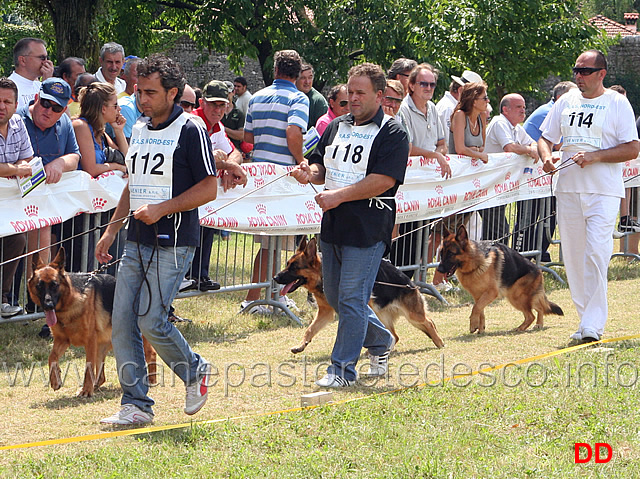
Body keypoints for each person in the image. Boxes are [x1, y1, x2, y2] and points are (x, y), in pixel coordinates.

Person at [95, 54, 217, 425]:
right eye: (138, 90)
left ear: (173, 93)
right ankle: (135, 404)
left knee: (151, 320)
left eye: (150, 92)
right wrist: (112, 228)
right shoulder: (141, 129)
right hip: (136, 238)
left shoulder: (191, 129)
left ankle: (195, 370)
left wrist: (163, 209)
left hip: (175, 240)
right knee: (121, 322)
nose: (141, 99)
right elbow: (135, 183)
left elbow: (209, 188)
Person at [292, 62, 409, 387]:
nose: (352, 98)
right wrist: (308, 173)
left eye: (360, 93)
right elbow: (319, 167)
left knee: (353, 298)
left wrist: (339, 196)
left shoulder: (393, 132)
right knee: (336, 295)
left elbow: (383, 181)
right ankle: (381, 340)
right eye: (350, 92)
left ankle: (341, 371)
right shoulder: (336, 126)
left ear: (380, 95)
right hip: (333, 224)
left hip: (368, 226)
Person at [538, 49, 639, 343]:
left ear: (601, 74)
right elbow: (545, 138)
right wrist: (546, 158)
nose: (578, 77)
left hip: (604, 190)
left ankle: (594, 323)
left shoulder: (617, 103)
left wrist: (595, 157)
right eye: (576, 71)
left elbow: (632, 148)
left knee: (596, 252)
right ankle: (585, 320)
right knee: (573, 255)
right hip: (568, 188)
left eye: (585, 71)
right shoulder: (566, 101)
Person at [241, 50, 309, 314]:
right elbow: (293, 130)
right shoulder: (298, 98)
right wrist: (300, 159)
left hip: (261, 173)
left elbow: (248, 135)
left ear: (275, 70)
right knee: (274, 243)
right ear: (298, 73)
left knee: (272, 242)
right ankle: (254, 298)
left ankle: (270, 296)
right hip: (283, 176)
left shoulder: (256, 97)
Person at [19, 78, 80, 286]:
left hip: (45, 203)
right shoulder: (16, 119)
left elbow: (75, 156)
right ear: (37, 98)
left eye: (56, 107)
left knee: (44, 228)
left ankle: (36, 294)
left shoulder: (64, 123)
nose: (48, 111)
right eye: (45, 103)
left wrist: (60, 163)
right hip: (15, 198)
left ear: (64, 110)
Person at [394, 63, 451, 280]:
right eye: (423, 83)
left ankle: (415, 280)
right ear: (411, 85)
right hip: (407, 184)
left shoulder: (434, 108)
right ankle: (401, 279)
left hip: (427, 185)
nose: (428, 88)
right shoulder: (404, 110)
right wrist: (434, 155)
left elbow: (442, 142)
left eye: (432, 84)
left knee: (422, 232)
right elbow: (406, 147)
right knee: (404, 236)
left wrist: (438, 153)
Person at [190, 80, 246, 288]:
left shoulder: (218, 126)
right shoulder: (193, 122)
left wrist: (229, 166)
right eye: (213, 104)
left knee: (208, 230)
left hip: (204, 195)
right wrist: (229, 166)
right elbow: (199, 158)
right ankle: (191, 278)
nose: (218, 109)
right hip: (187, 195)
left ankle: (200, 275)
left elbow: (236, 152)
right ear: (202, 102)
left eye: (222, 105)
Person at [517, 80, 576, 260]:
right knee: (528, 219)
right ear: (560, 98)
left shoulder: (562, 111)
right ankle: (522, 257)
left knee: (549, 217)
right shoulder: (549, 112)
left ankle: (540, 252)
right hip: (531, 178)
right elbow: (559, 142)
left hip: (546, 178)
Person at [483, 93, 538, 242]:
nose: (523, 111)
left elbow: (533, 143)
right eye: (519, 107)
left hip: (500, 185)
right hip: (488, 185)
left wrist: (531, 147)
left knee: (494, 231)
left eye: (524, 107)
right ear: (505, 110)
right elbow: (509, 147)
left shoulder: (515, 127)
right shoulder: (499, 122)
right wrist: (529, 150)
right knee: (499, 231)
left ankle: (489, 262)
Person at [0, 77, 33, 318]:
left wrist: (18, 166)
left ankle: (3, 297)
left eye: (7, 101)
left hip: (9, 204)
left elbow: (27, 158)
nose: (2, 106)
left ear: (14, 104)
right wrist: (16, 169)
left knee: (17, 241)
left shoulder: (19, 123)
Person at [72, 82, 128, 177]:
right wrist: (117, 167)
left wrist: (118, 130)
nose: (119, 108)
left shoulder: (100, 131)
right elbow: (90, 170)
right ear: (103, 109)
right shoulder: (81, 126)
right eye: (115, 105)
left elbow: (126, 160)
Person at [436, 70, 482, 145]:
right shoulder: (449, 108)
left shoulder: (450, 106)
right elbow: (449, 140)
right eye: (474, 95)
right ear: (460, 90)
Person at [9, 37, 54, 110]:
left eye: (47, 58)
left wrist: (47, 84)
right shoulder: (9, 88)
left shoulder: (39, 85)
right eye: (42, 58)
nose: (46, 62)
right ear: (23, 60)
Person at [296, 63, 328, 129]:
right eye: (303, 78)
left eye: (310, 78)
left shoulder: (318, 101)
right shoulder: (291, 96)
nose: (307, 82)